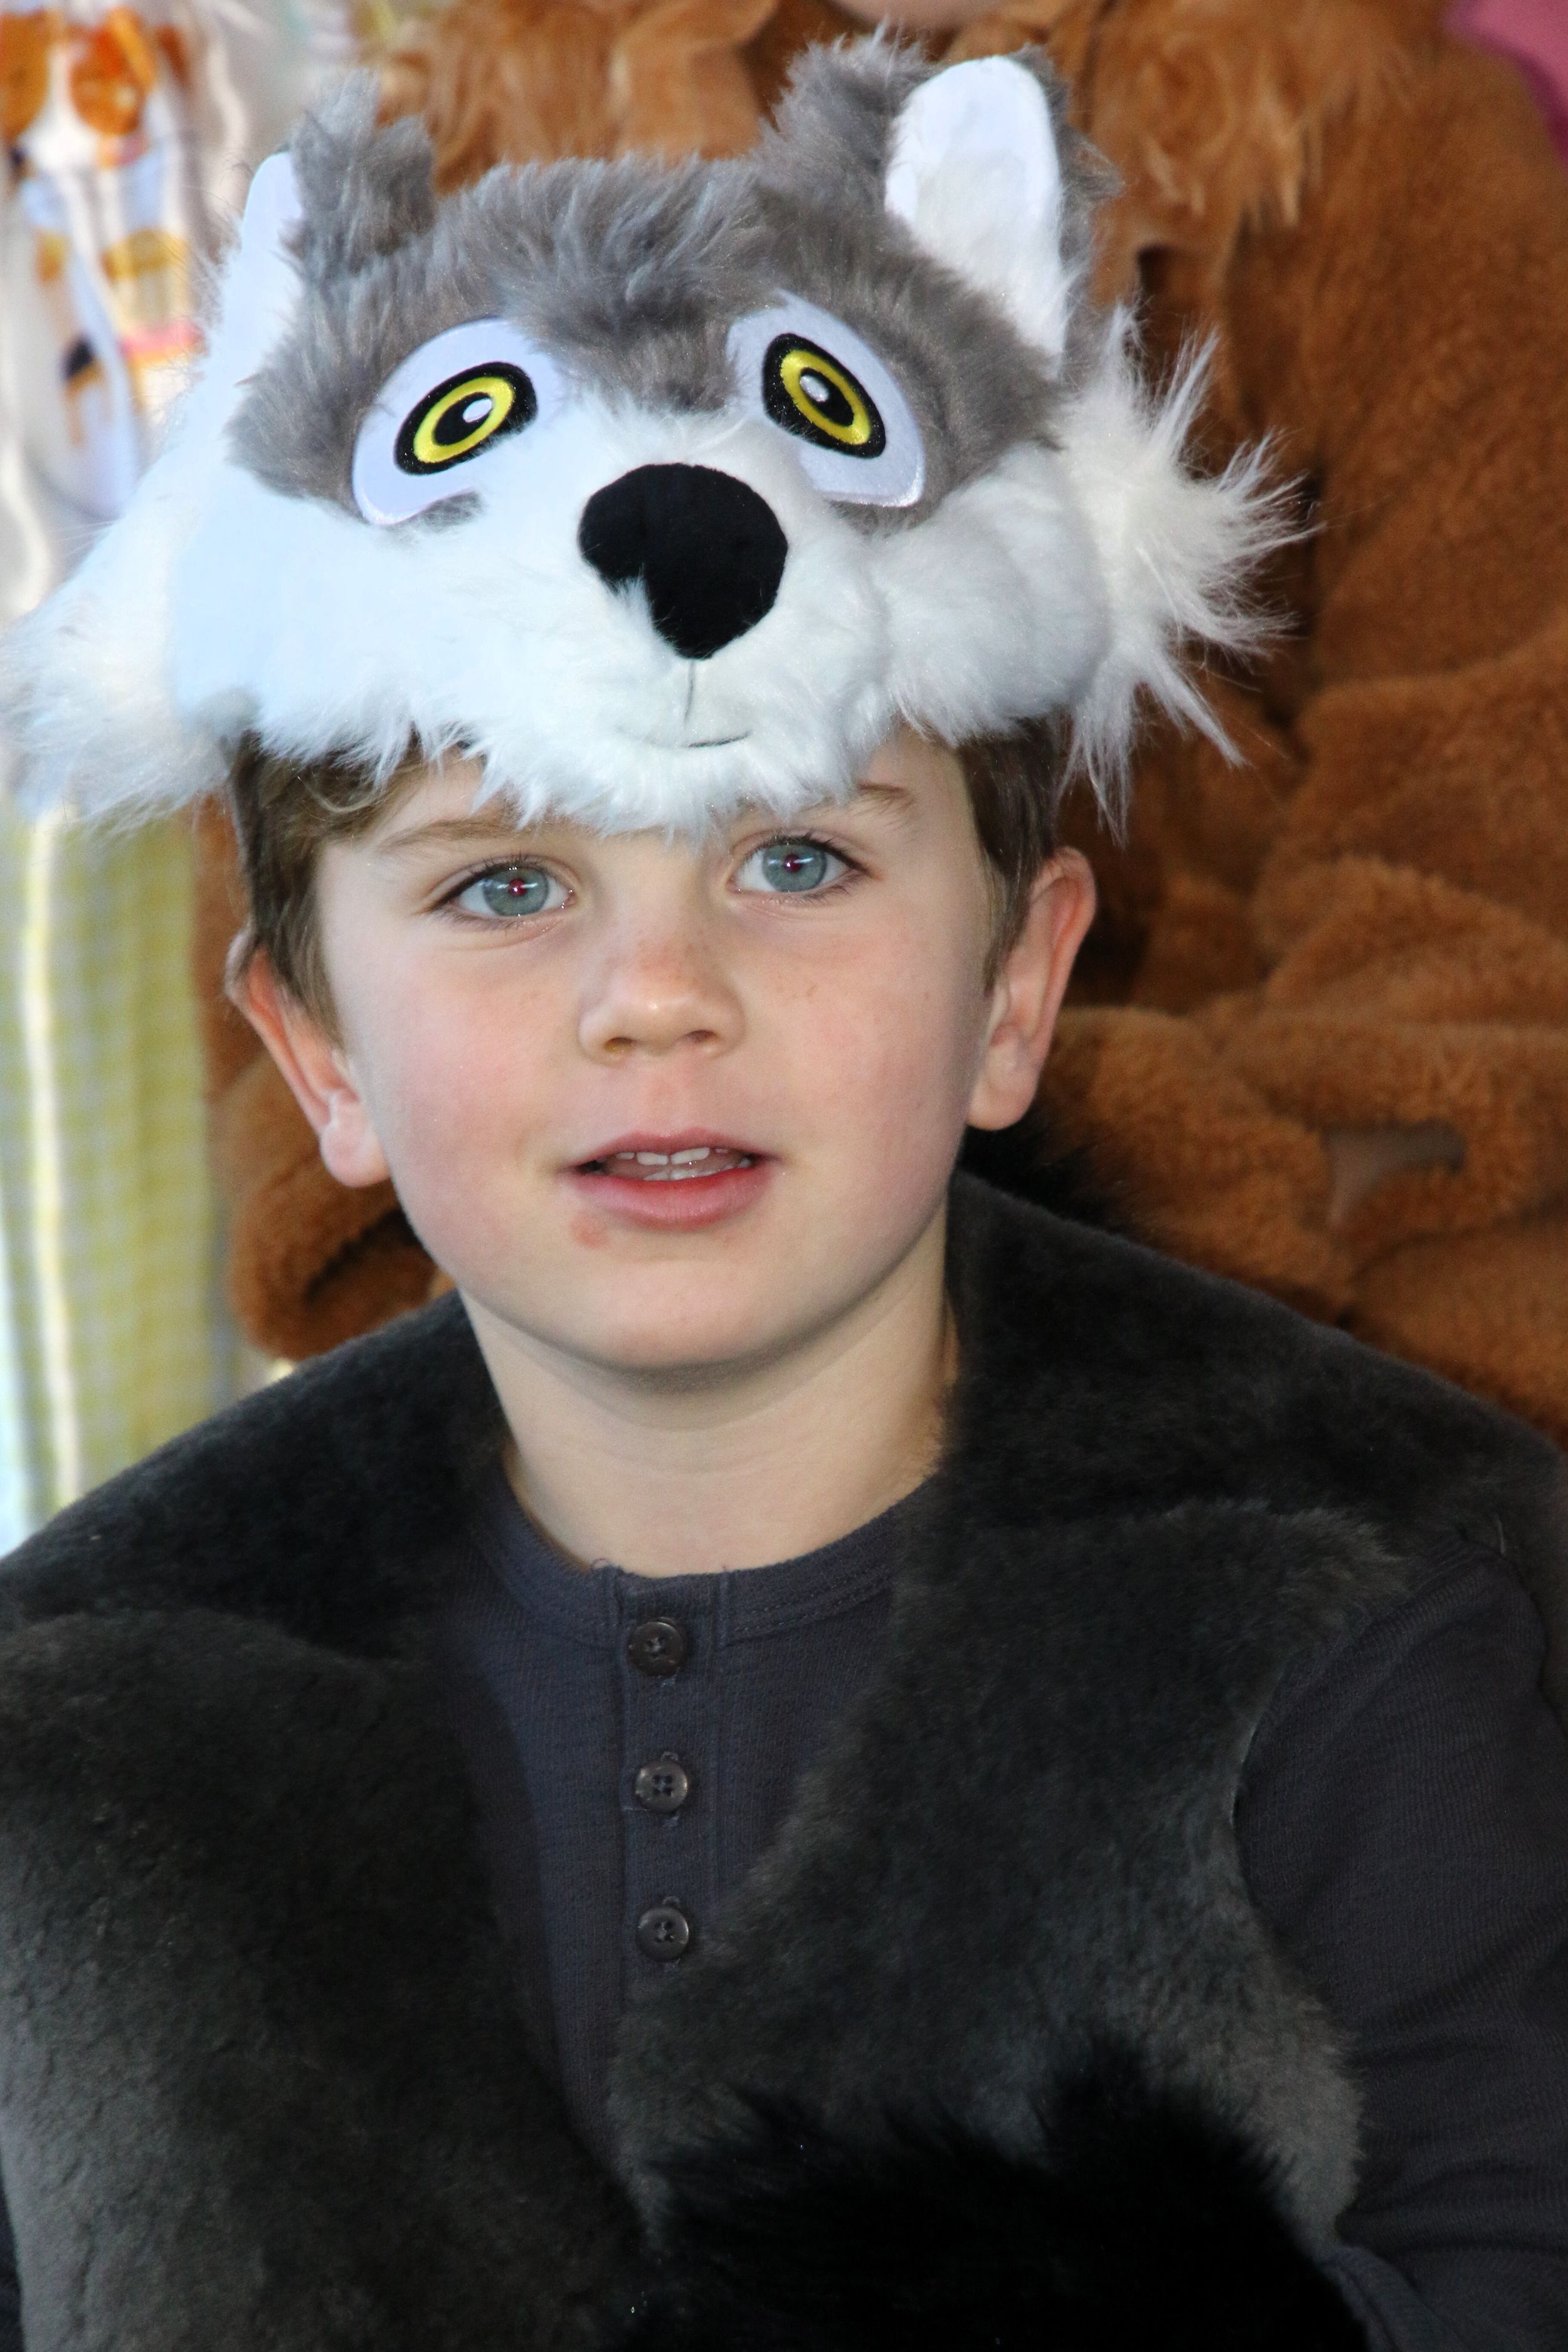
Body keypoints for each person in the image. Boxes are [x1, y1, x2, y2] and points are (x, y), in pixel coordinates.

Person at [1, 38, 1566, 2352]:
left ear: (1016, 989)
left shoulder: (1391, 1621)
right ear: (314, 1052)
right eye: (508, 882)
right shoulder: (69, 1726)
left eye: (798, 861)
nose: (658, 996)